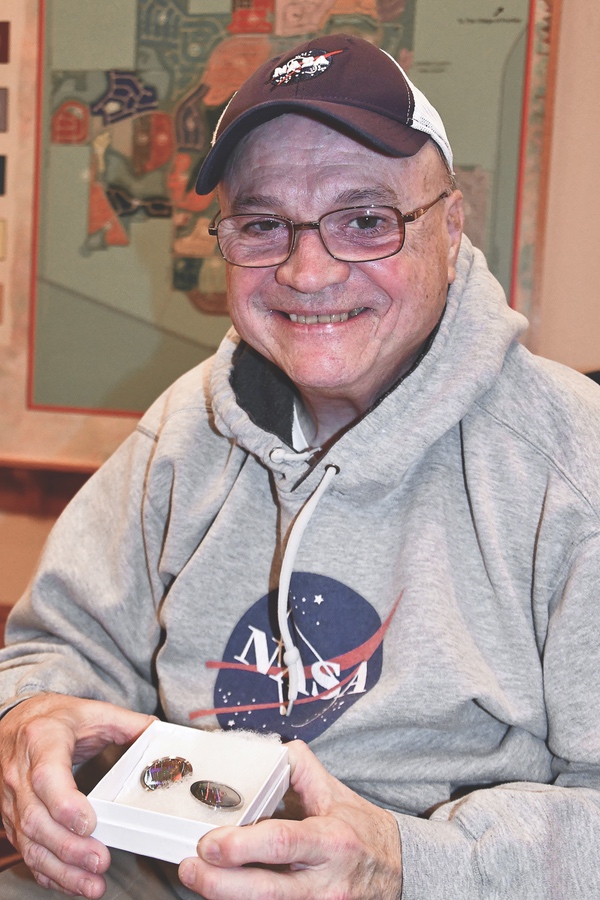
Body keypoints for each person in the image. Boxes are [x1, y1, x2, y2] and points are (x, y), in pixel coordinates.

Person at [1, 31, 600, 900]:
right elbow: (52, 651)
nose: (307, 270)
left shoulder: (572, 467)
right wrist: (31, 721)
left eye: (366, 219)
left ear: (451, 222)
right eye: (263, 223)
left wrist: (404, 865)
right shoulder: (183, 430)